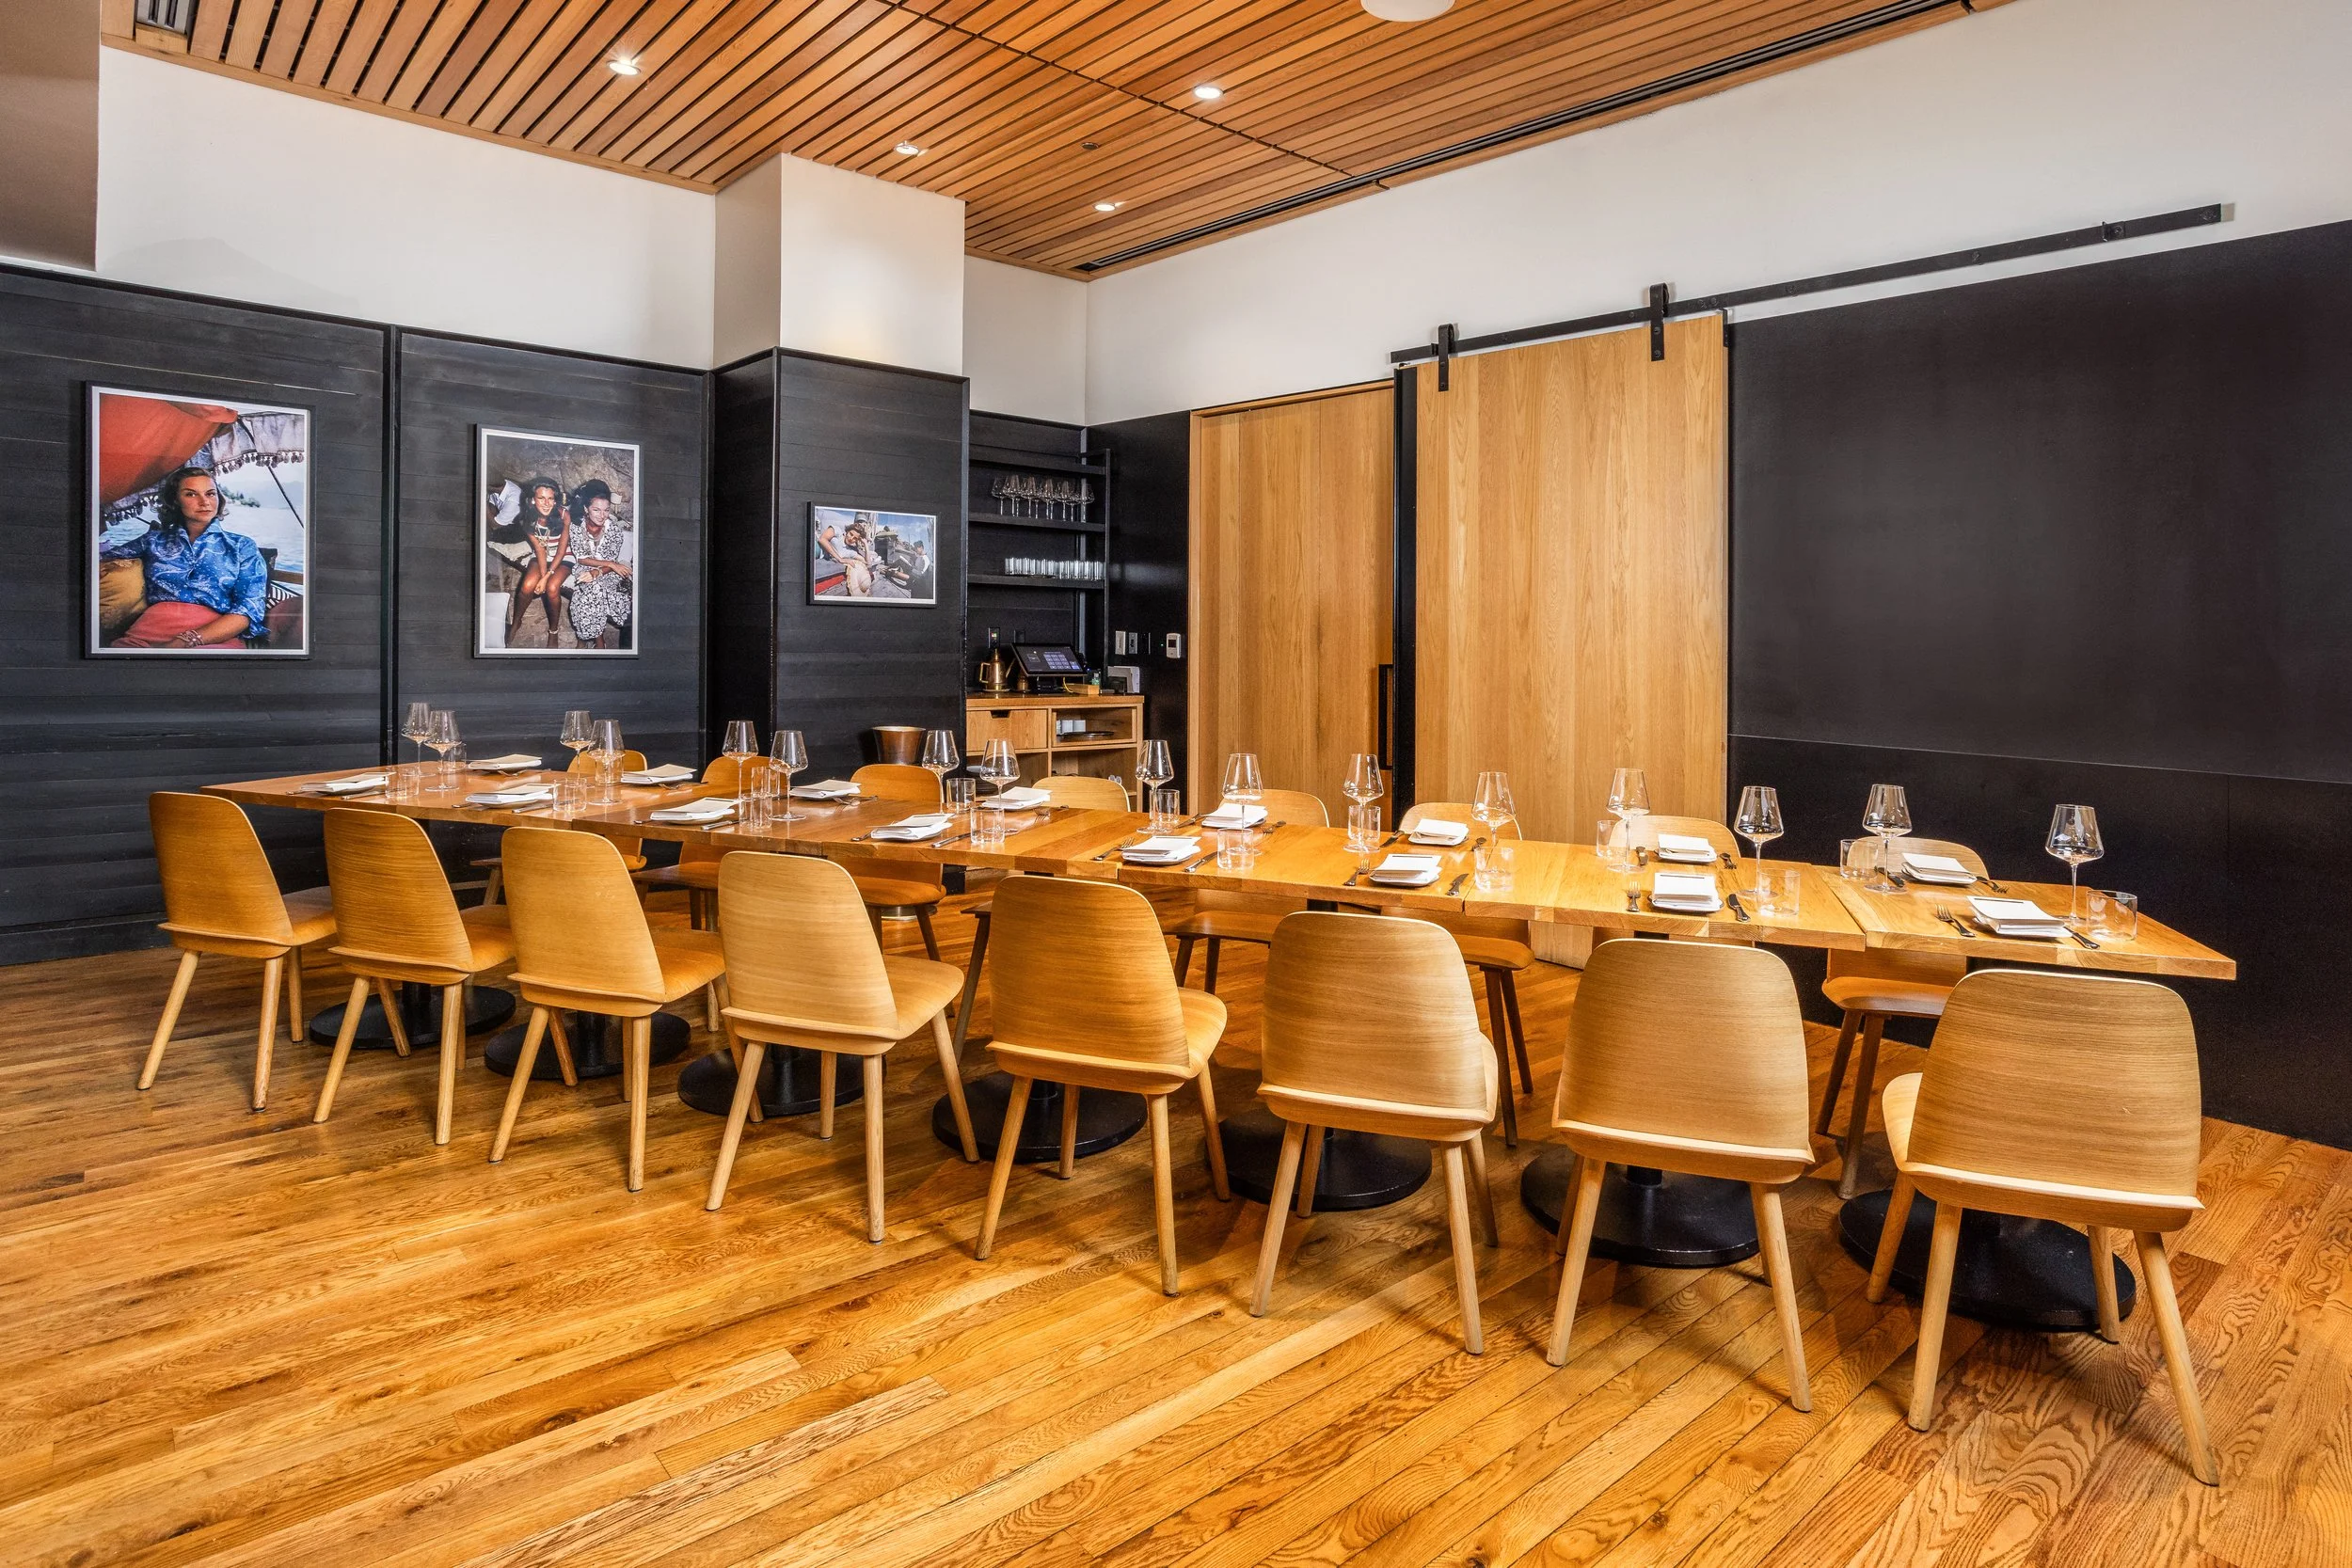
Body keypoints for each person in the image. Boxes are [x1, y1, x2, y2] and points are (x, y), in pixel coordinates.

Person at [104, 467, 270, 649]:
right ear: (175, 501)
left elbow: (248, 610)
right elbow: (101, 559)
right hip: (146, 633)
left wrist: (185, 641)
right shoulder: (153, 540)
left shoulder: (241, 546)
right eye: (191, 494)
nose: (204, 502)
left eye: (210, 494)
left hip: (214, 636)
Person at [494, 477, 569, 643]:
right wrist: (542, 575)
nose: (547, 503)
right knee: (527, 586)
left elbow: (562, 550)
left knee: (552, 587)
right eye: (541, 498)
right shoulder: (527, 520)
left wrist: (546, 577)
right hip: (542, 553)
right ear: (533, 500)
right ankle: (516, 622)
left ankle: (553, 630)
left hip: (563, 557)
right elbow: (540, 550)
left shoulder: (564, 515)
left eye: (551, 498)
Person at [563, 479, 635, 648]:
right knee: (588, 591)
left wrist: (599, 572)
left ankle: (586, 640)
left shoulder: (615, 531)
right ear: (586, 509)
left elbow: (613, 566)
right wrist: (612, 563)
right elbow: (581, 557)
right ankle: (597, 641)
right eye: (596, 510)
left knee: (593, 592)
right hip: (587, 566)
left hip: (607, 572)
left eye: (606, 510)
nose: (602, 515)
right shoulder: (576, 527)